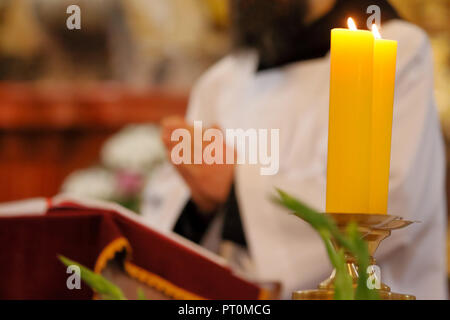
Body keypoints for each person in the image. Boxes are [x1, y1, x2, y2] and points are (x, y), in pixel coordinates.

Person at [143, 0, 447, 299]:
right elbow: (164, 216)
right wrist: (200, 205)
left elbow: (394, 195)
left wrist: (236, 191)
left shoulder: (393, 49)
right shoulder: (222, 80)